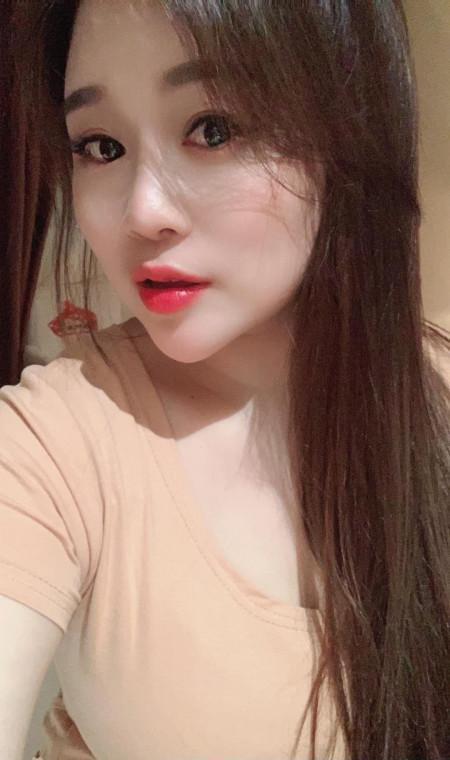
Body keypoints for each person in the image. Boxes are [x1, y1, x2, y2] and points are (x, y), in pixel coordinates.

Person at [0, 1, 449, 758]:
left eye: (214, 129)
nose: (143, 211)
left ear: (348, 133)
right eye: (101, 146)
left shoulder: (437, 391)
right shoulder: (51, 442)